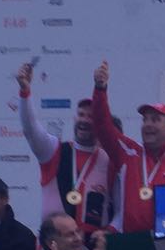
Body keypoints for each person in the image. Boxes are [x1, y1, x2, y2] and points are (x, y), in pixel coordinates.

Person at [90, 60, 165, 234]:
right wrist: (100, 89)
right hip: (132, 241)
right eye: (145, 120)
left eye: (155, 120)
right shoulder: (128, 152)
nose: (148, 124)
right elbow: (102, 125)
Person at [17, 62, 112, 232]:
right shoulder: (54, 150)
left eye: (91, 116)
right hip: (54, 243)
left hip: (91, 244)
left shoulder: (108, 160)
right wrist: (25, 91)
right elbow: (30, 129)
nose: (84, 120)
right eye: (81, 115)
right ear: (74, 118)